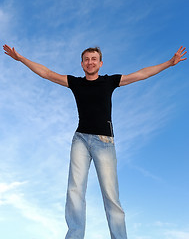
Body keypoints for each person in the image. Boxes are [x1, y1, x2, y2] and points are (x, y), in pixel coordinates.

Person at [3, 44, 187, 239]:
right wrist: (21, 59)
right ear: (82, 64)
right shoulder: (75, 83)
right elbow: (47, 73)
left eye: (93, 59)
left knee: (110, 195)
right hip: (80, 139)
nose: (90, 62)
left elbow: (142, 74)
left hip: (104, 142)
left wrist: (169, 63)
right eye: (86, 59)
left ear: (100, 63)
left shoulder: (109, 82)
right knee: (74, 191)